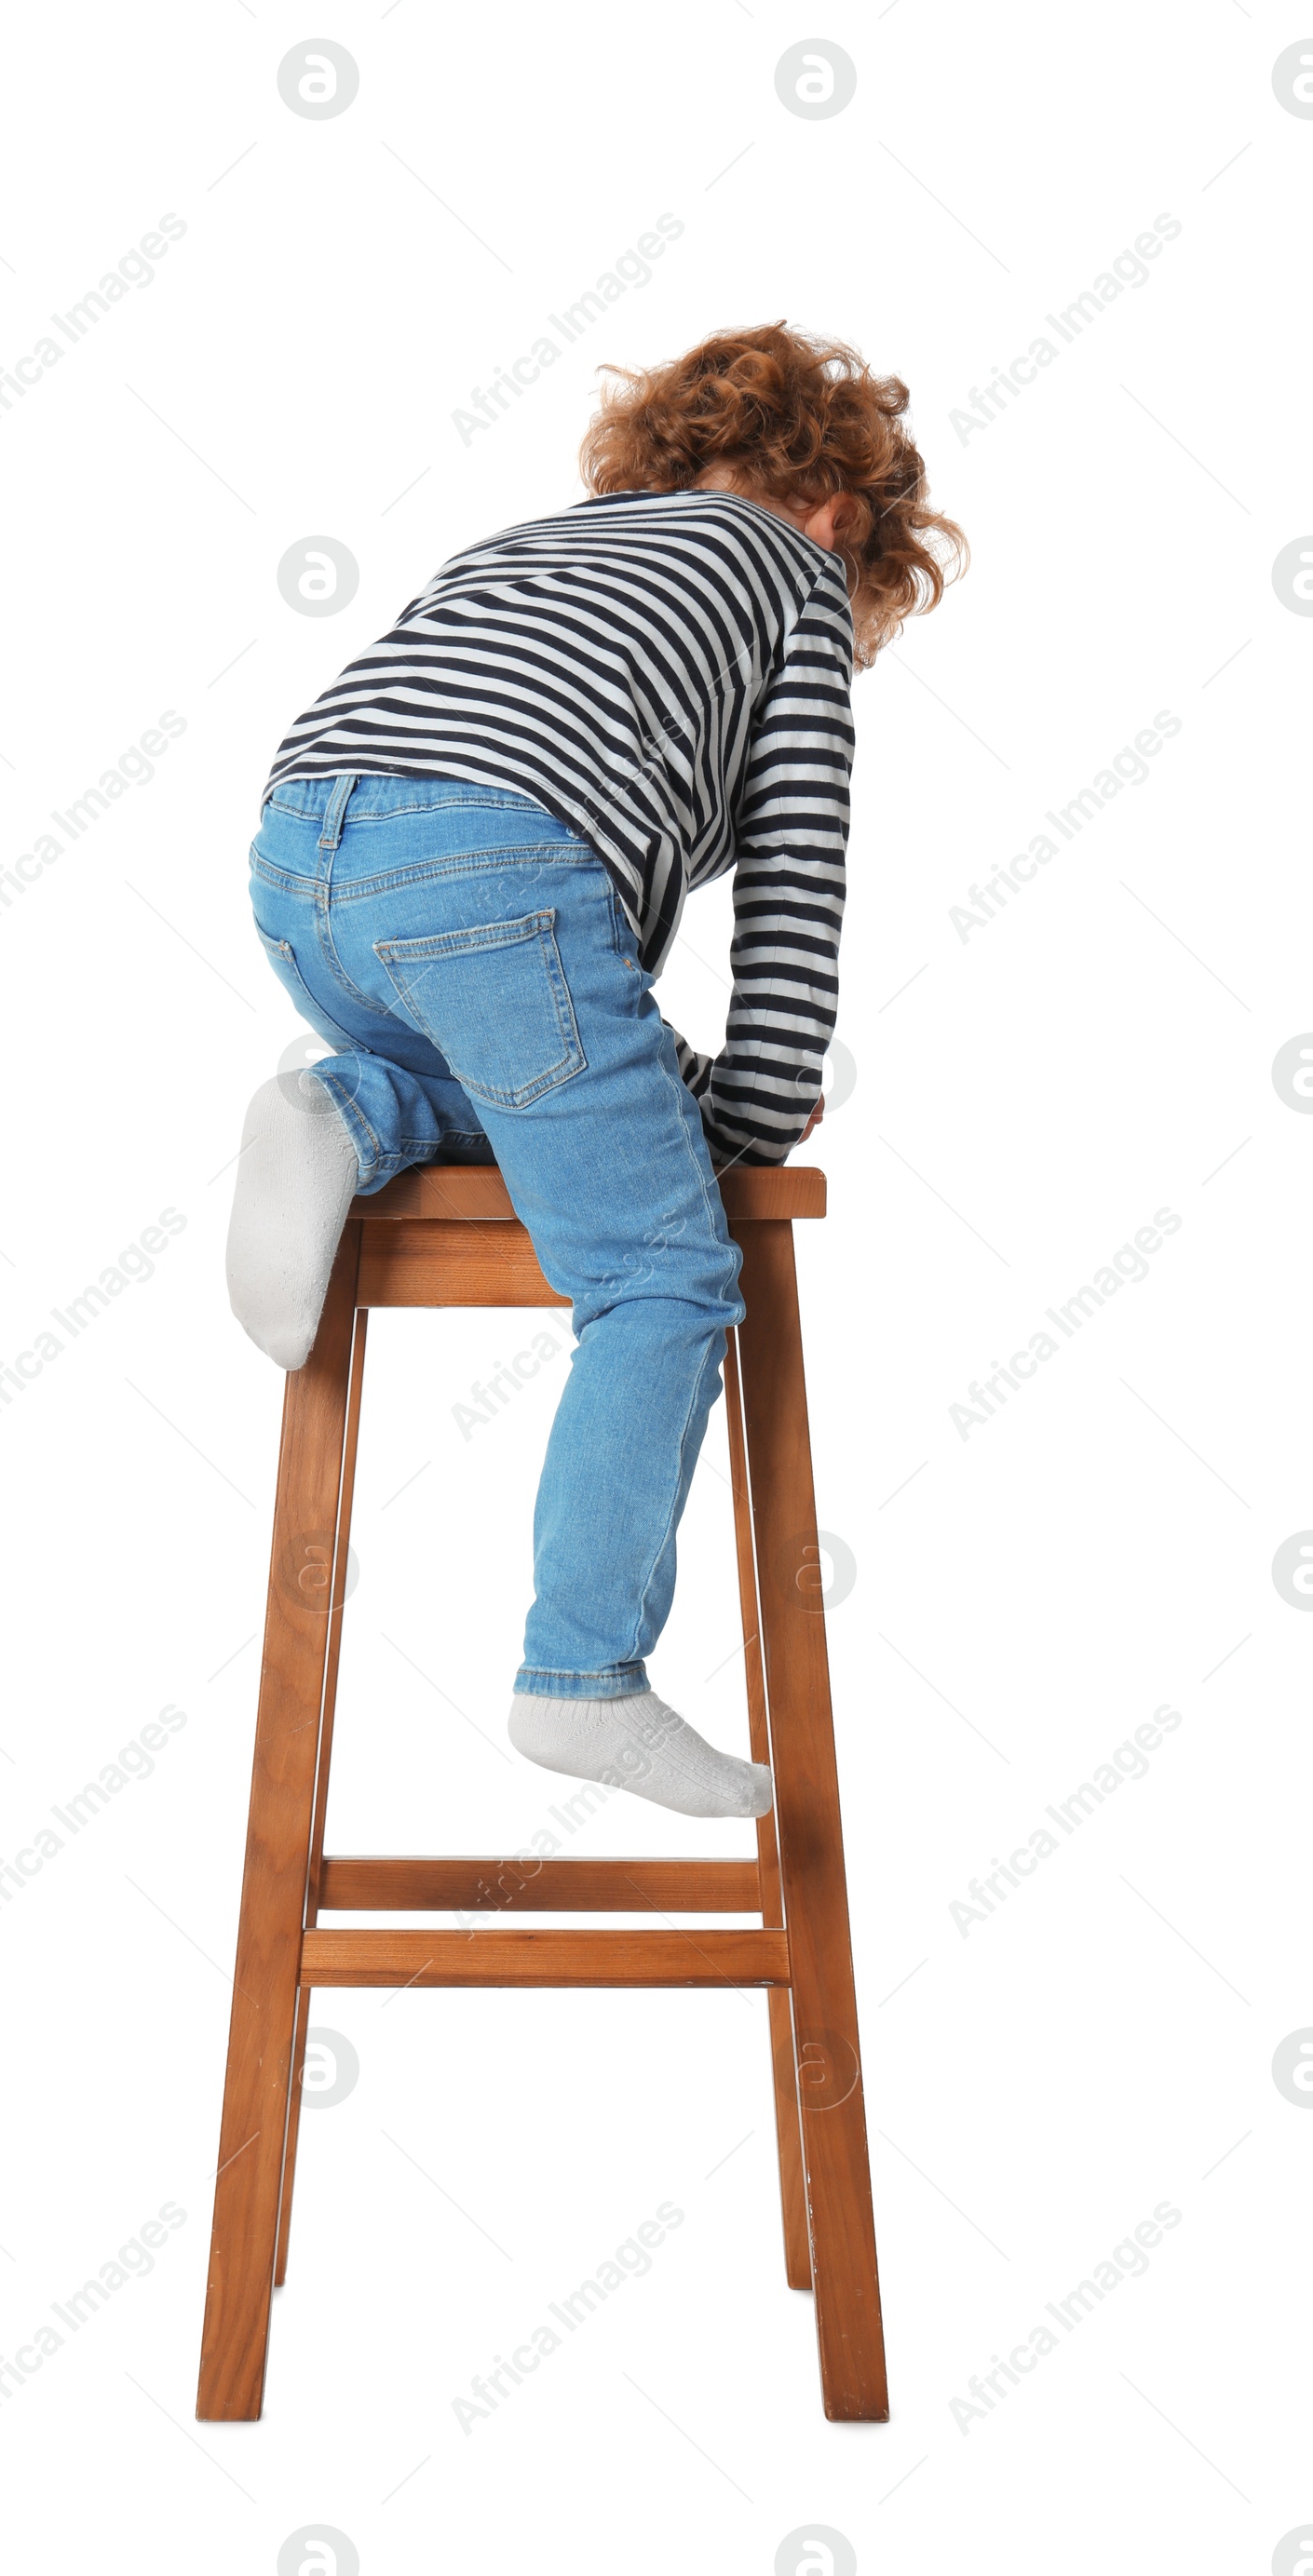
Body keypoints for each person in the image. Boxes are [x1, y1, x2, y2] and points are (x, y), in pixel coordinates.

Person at [225, 322, 965, 1821]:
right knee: (663, 1280)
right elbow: (796, 879)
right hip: (501, 862)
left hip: (305, 853)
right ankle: (583, 1678)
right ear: (843, 515)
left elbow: (559, 1027)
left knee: (530, 1078)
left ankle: (347, 1106)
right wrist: (751, 1110)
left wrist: (665, 1090)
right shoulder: (792, 584)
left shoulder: (543, 541)